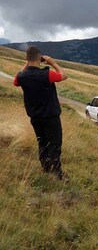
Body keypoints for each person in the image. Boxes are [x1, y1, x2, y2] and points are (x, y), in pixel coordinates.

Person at [13, 46, 68, 180]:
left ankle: (46, 168)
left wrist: (27, 63)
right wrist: (52, 63)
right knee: (54, 144)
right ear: (40, 58)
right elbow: (64, 75)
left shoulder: (21, 76)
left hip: (35, 117)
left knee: (42, 142)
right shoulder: (47, 74)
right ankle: (57, 174)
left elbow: (16, 81)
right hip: (51, 116)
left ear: (26, 58)